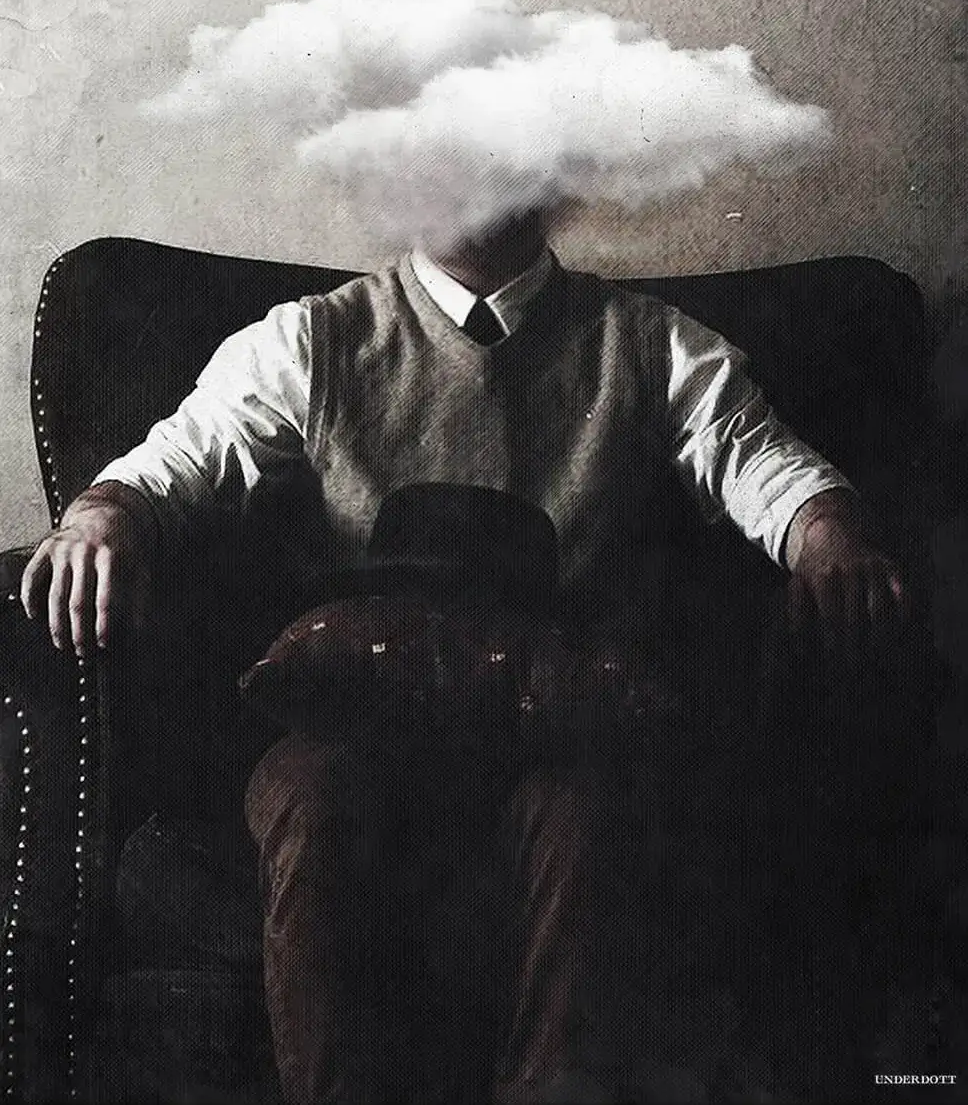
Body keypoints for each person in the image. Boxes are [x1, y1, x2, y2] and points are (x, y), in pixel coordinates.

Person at [21, 204, 914, 1103]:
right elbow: (175, 461)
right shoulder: (312, 340)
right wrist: (102, 517)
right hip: (353, 732)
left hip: (569, 735)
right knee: (314, 798)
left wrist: (828, 537)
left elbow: (762, 462)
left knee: (592, 820)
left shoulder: (649, 343)